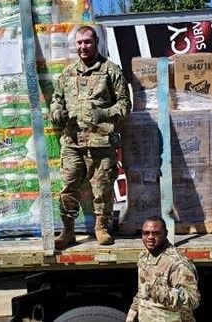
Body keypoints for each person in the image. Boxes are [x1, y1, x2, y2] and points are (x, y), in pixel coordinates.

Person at [49, 25, 131, 249]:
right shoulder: (67, 74)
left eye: (87, 42)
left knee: (102, 189)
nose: (83, 47)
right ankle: (67, 231)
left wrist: (104, 113)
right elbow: (56, 101)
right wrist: (57, 112)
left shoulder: (110, 70)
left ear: (96, 43)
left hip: (101, 143)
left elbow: (125, 105)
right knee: (68, 187)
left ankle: (101, 228)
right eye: (79, 43)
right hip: (72, 142)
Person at [126, 216, 201, 322]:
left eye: (156, 233)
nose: (150, 237)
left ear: (165, 233)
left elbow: (194, 300)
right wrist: (132, 314)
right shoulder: (145, 256)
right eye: (146, 233)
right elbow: (143, 290)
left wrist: (163, 294)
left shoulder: (177, 263)